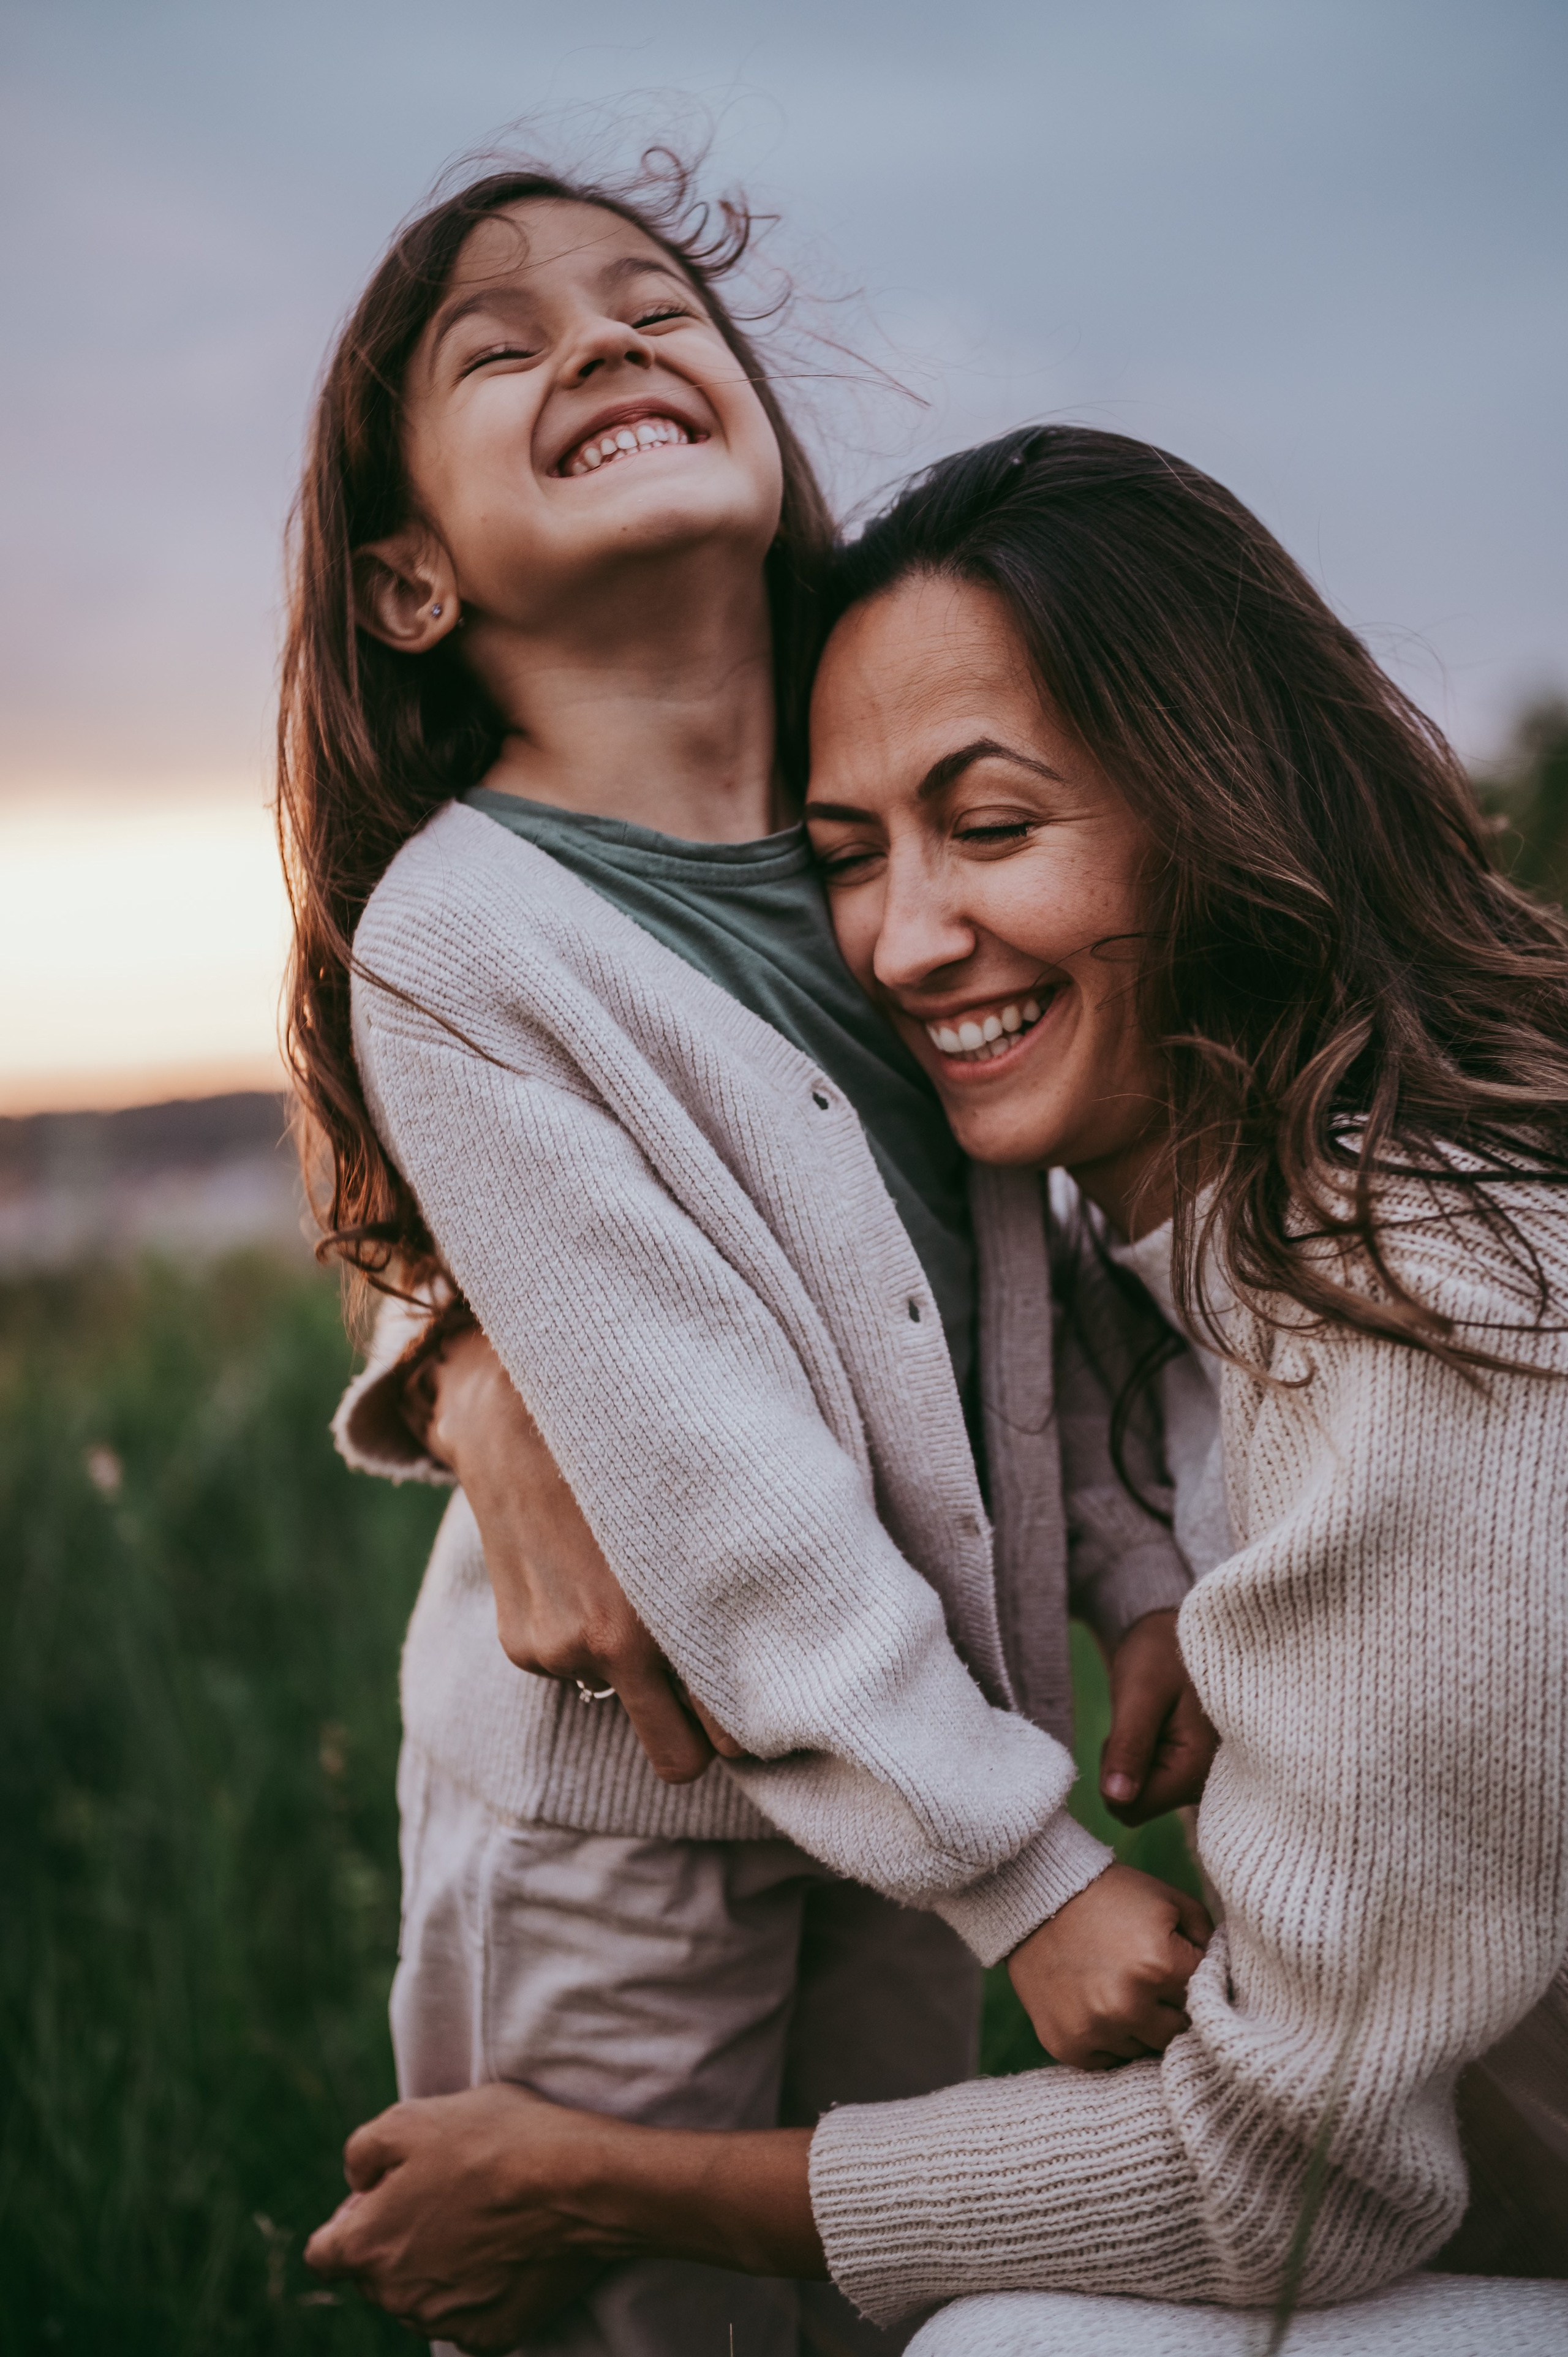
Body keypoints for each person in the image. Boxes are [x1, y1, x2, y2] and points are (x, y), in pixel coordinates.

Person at [305, 426, 1568, 2353]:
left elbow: (1285, 2180)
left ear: (1220, 802)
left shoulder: (1421, 1320)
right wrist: (480, 1361)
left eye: (991, 830)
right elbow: (752, 1233)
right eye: (843, 865)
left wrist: (589, 2182)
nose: (900, 941)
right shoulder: (1241, 1222)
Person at [277, 162, 1214, 2356]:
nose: (604, 340)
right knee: (628, 2309)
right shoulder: (465, 943)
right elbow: (707, 1484)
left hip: (917, 1762)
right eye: (502, 350)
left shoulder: (881, 834)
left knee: (857, 2289)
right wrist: (1031, 1873)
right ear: (409, 584)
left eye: (654, 305)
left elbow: (1008, 1287)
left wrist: (1136, 1569)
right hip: (638, 1803)